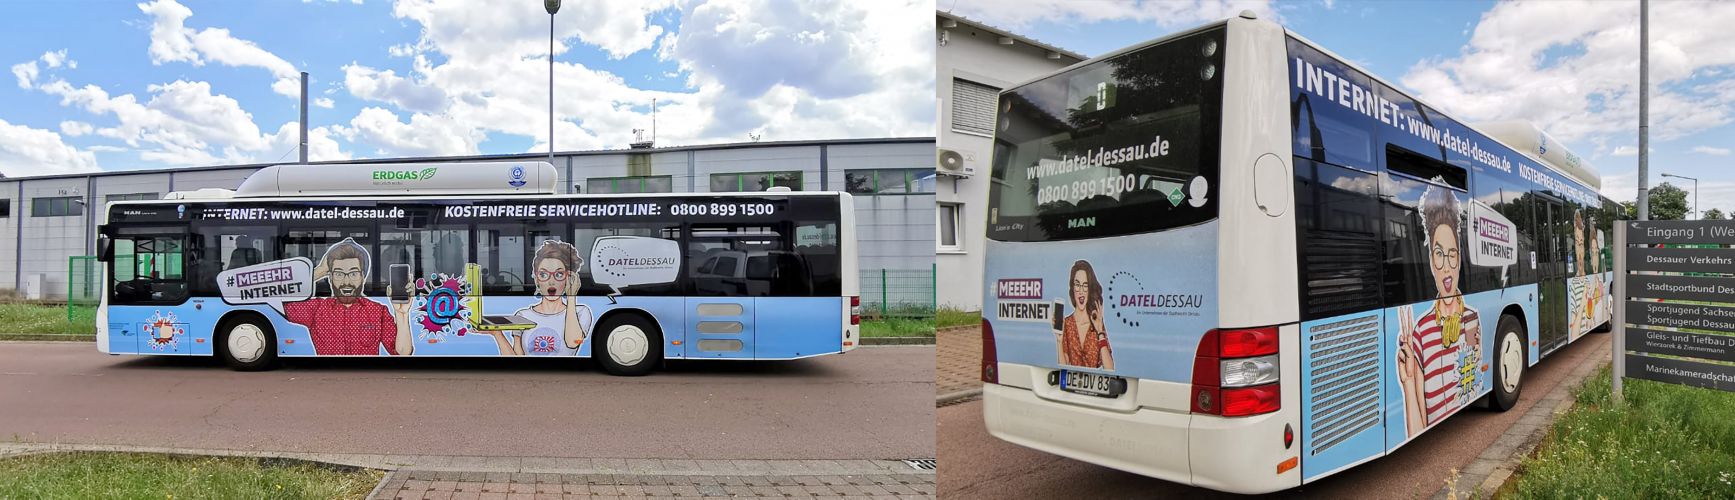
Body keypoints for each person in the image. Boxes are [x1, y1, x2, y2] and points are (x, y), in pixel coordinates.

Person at [1396, 184, 1481, 438]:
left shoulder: (1472, 318)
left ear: (1459, 260)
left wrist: (1475, 355)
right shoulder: (1420, 333)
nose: (1446, 265)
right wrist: (1409, 383)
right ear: (1431, 262)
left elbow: (1472, 388)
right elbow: (1418, 431)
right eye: (1439, 254)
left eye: (1452, 254)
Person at [283, 238, 415, 355]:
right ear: (330, 277)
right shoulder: (316, 309)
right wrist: (319, 271)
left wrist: (402, 314)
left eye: (353, 274)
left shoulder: (378, 312)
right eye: (339, 274)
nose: (346, 282)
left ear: (363, 277)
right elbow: (281, 301)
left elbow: (402, 352)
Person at [478, 240, 591, 355]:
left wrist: (571, 296)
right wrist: (497, 334)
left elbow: (573, 342)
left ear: (569, 277)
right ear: (536, 279)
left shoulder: (580, 312)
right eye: (543, 274)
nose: (551, 282)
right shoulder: (523, 315)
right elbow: (516, 360)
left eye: (559, 274)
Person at [1056, 260, 1113, 370]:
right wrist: (1059, 341)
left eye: (1085, 286)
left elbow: (1110, 368)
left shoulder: (1096, 323)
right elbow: (1063, 367)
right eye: (1077, 285)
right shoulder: (1067, 324)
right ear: (1073, 288)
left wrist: (1100, 332)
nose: (1081, 291)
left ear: (1090, 289)